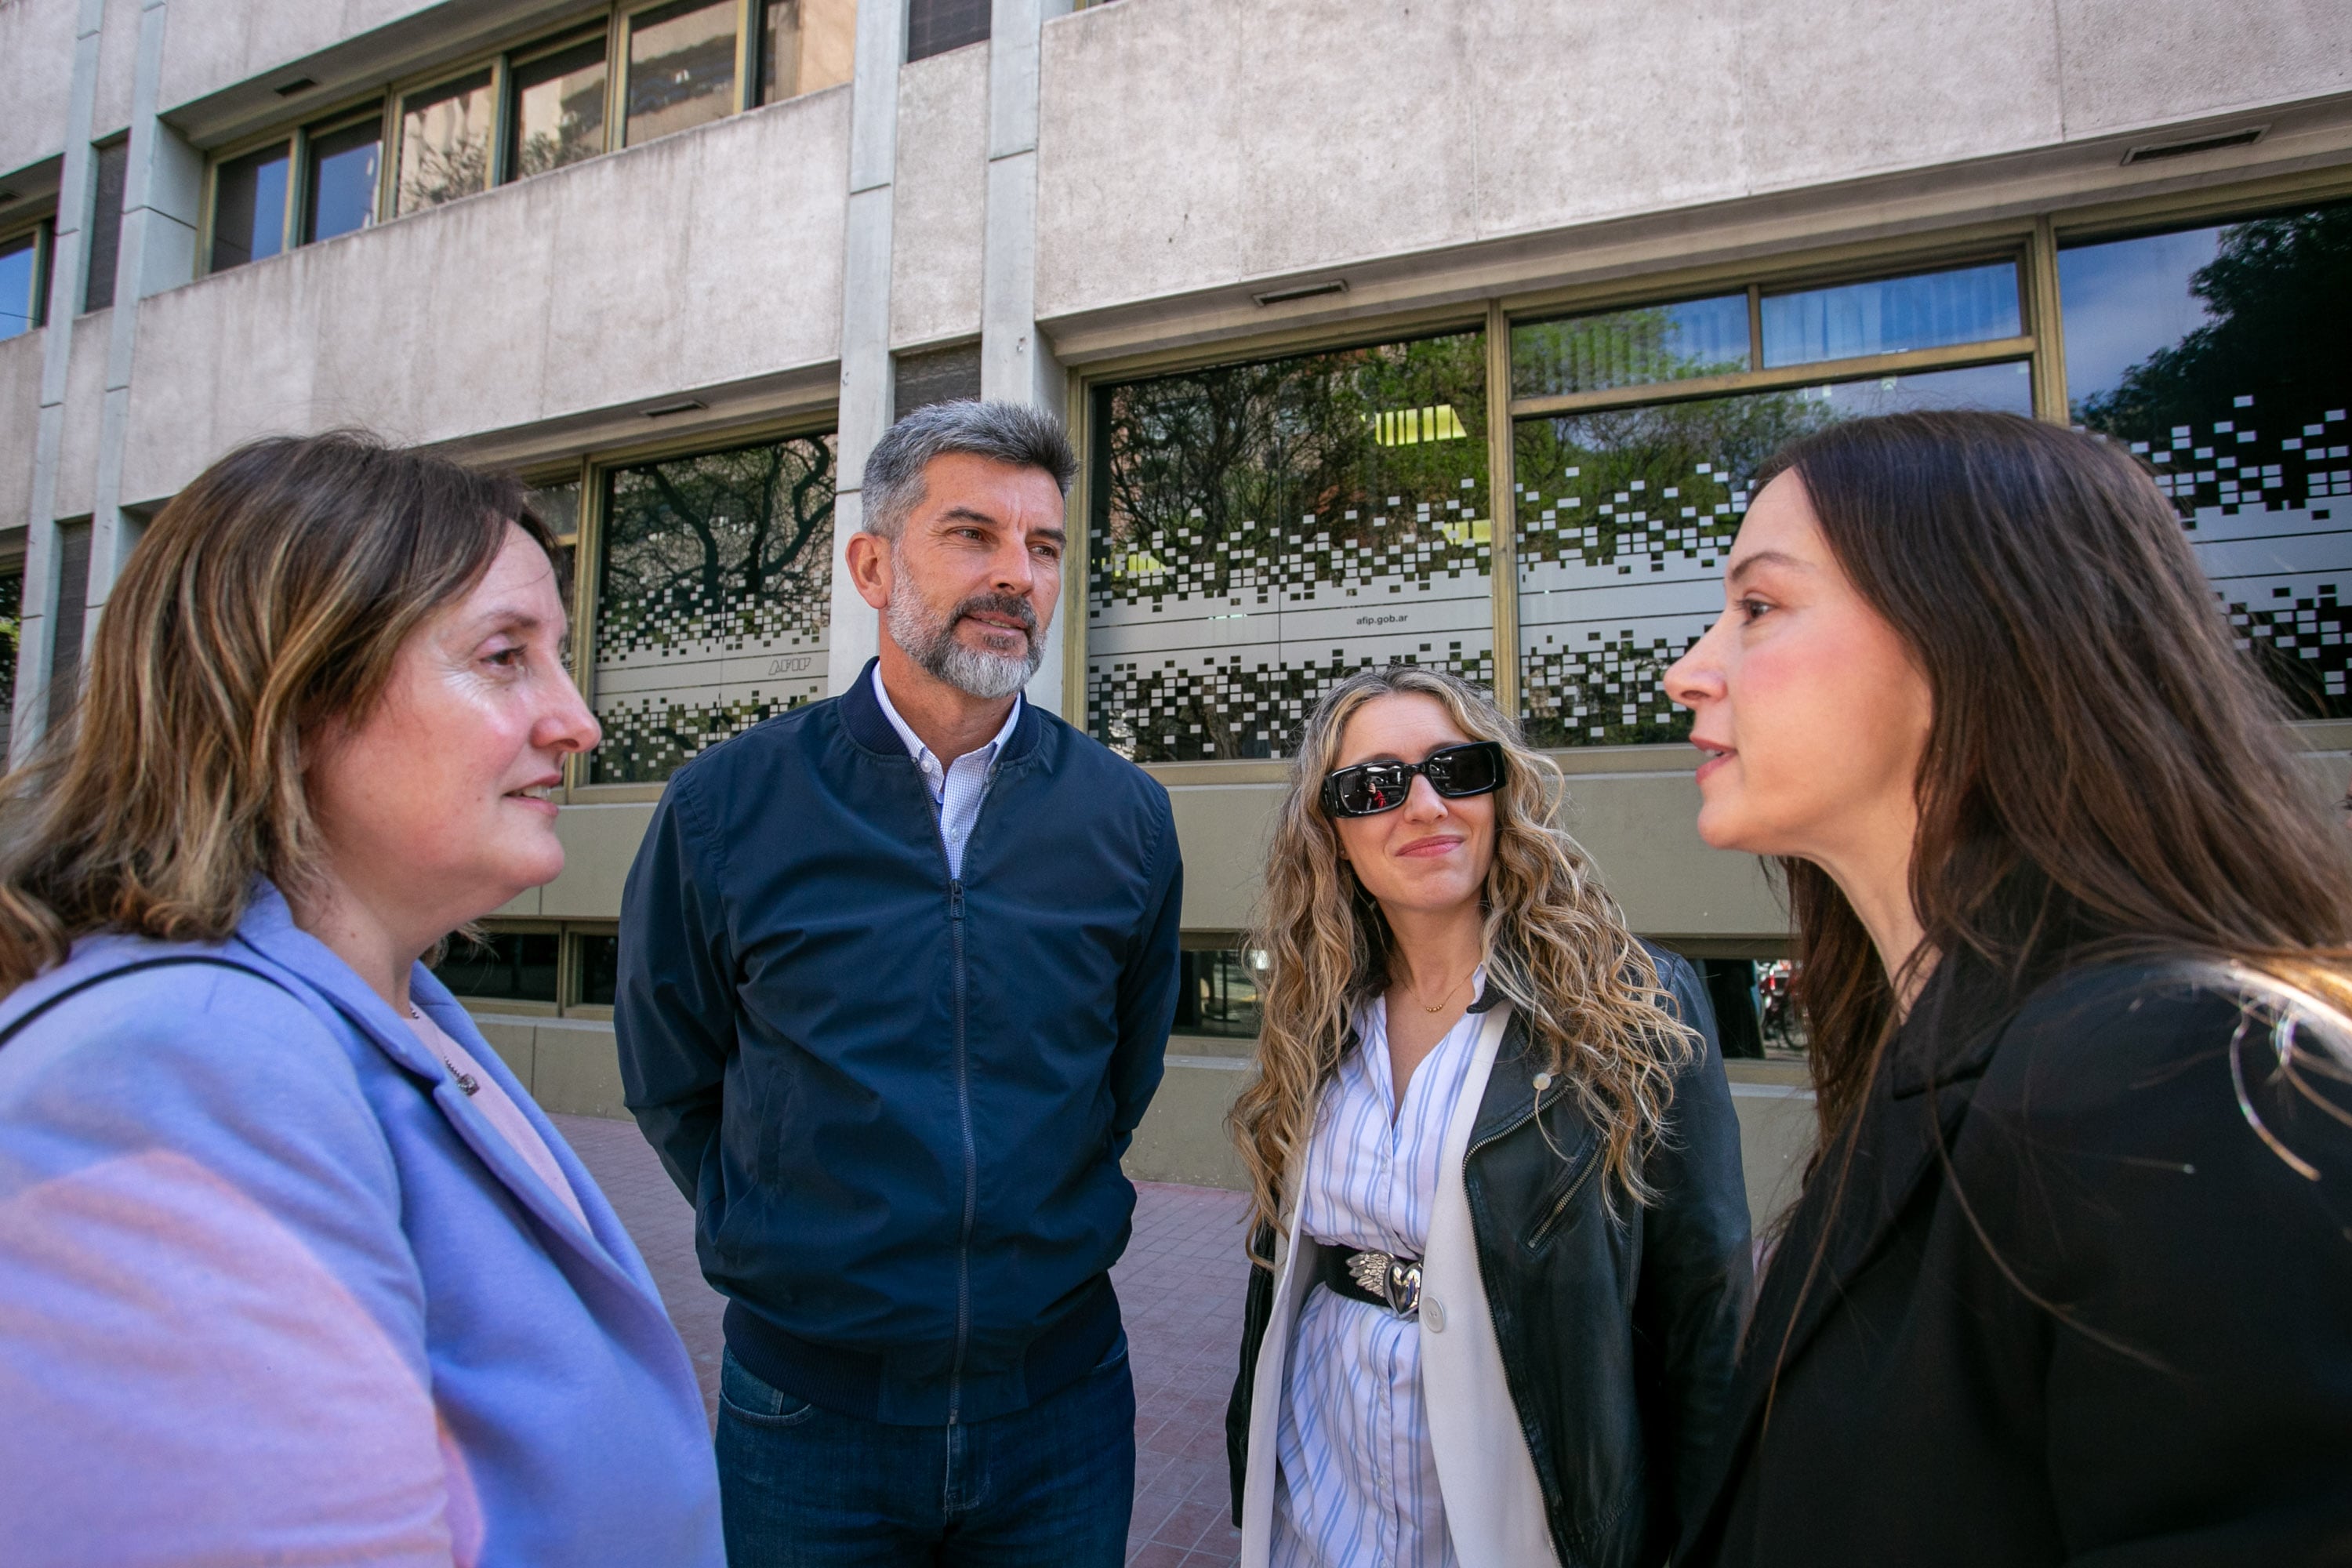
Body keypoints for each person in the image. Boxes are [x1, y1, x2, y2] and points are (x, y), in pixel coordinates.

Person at [0, 433, 724, 1566]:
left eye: (561, 657)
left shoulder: (391, 1012)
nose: (577, 722)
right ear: (291, 693)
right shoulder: (178, 1066)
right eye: (503, 657)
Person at [1664, 411, 2352, 1567]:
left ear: (1975, 631)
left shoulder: (2187, 1074)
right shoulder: (1935, 1061)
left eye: (1760, 608)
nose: (1689, 672)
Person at [617, 399, 1183, 1566]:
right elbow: (671, 1074)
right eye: (972, 536)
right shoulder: (728, 807)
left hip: (1062, 1410)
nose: (1015, 576)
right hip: (810, 1417)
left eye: (1042, 547)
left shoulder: (1124, 817)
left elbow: (1123, 1073)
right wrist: (791, 1231)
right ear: (873, 564)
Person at [1225, 664, 1753, 1568]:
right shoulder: (1316, 1011)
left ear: (1501, 792)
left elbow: (1705, 1312)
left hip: (1520, 1506)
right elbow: (1281, 1269)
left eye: (1457, 768)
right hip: (1324, 1482)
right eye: (1375, 786)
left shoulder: (1629, 1005)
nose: (1425, 804)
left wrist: (1701, 1536)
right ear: (1333, 831)